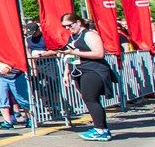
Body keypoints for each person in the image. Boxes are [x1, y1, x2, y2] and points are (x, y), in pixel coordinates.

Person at [48, 10, 117, 140]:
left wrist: (75, 53)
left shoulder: (90, 35)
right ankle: (101, 128)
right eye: (65, 26)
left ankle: (101, 130)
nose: (68, 28)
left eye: (70, 25)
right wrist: (66, 73)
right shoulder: (73, 37)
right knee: (89, 99)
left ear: (78, 22)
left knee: (90, 98)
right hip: (80, 70)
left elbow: (99, 54)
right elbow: (70, 55)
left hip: (94, 70)